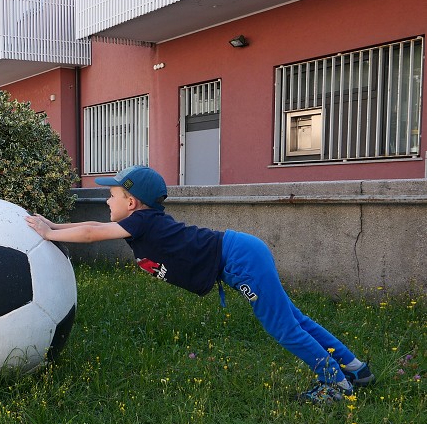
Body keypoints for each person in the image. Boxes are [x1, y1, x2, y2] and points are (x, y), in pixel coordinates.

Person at [25, 165, 375, 404]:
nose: (106, 201)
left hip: (241, 259)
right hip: (241, 254)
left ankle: (336, 383)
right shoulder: (143, 221)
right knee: (295, 320)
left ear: (131, 203)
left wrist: (48, 234)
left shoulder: (143, 223)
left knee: (284, 328)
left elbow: (91, 232)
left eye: (112, 196)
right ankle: (356, 370)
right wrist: (54, 225)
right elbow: (90, 223)